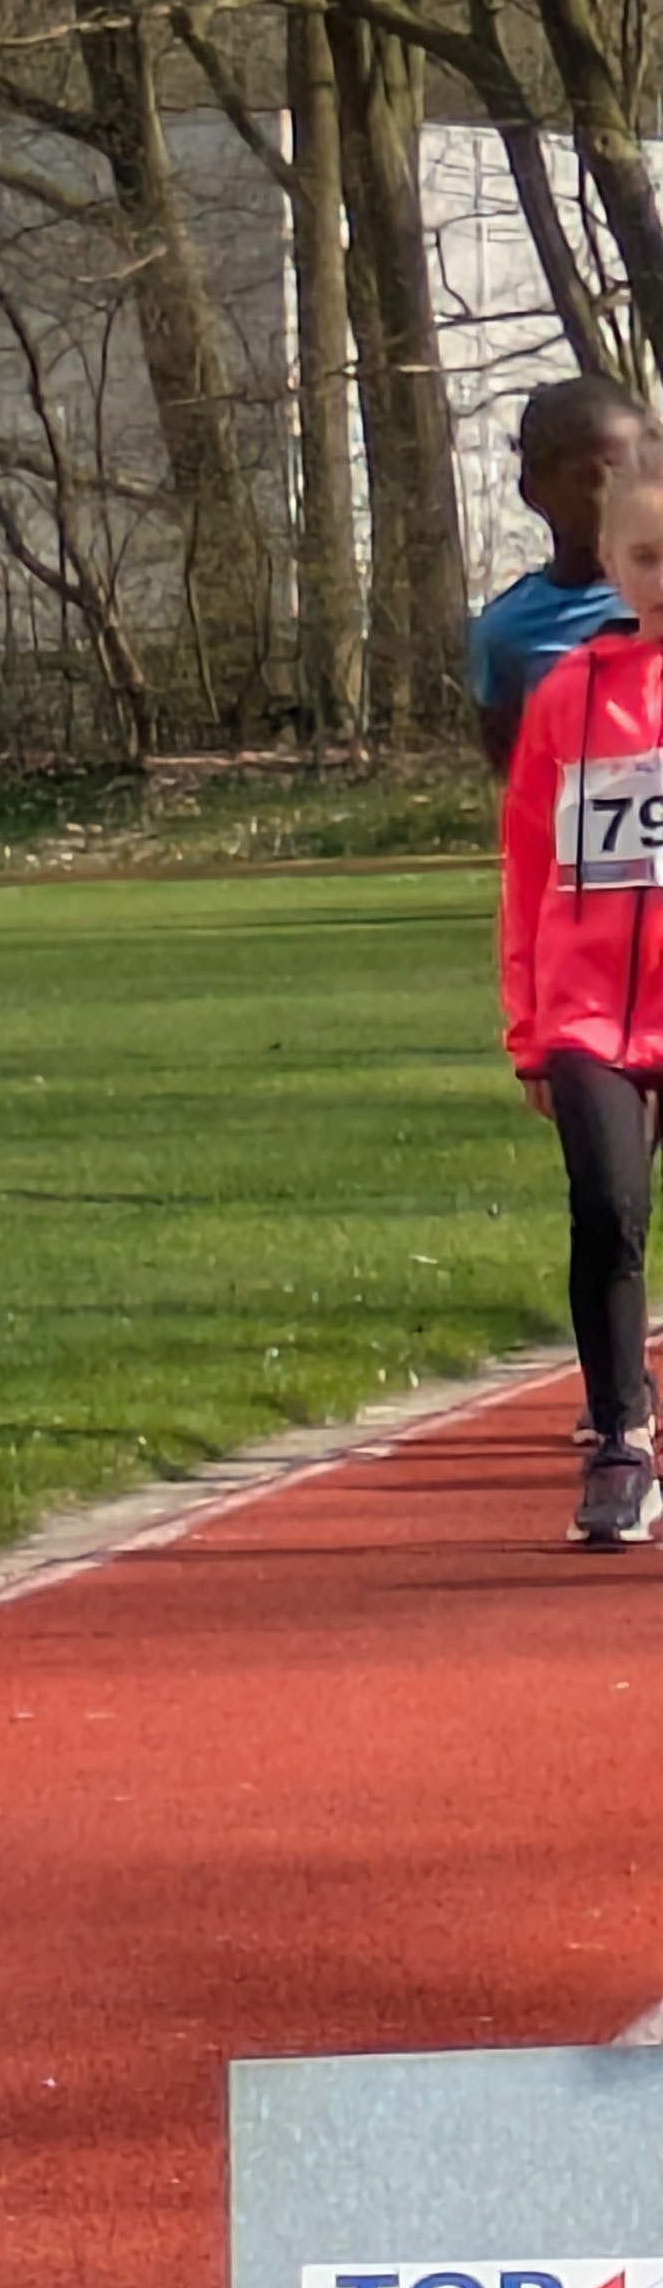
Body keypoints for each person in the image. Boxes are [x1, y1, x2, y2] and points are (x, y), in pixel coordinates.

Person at [501, 446, 663, 1546]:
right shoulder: (567, 695)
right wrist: (528, 1033)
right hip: (588, 1017)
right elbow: (523, 872)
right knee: (606, 1211)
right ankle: (619, 1436)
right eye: (646, 555)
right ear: (608, 563)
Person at [471, 378, 657, 777]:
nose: (608, 497)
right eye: (586, 479)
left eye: (623, 475)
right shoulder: (506, 633)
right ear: (534, 492)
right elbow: (516, 774)